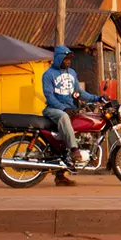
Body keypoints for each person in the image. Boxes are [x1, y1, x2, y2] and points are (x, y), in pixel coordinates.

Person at [42, 46, 104, 186]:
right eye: (66, 59)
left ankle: (61, 175)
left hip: (69, 109)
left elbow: (80, 93)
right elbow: (49, 97)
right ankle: (74, 150)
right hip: (53, 109)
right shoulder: (48, 75)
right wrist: (64, 108)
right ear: (58, 58)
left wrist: (97, 98)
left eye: (70, 59)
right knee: (64, 117)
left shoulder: (72, 73)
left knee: (80, 124)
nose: (68, 62)